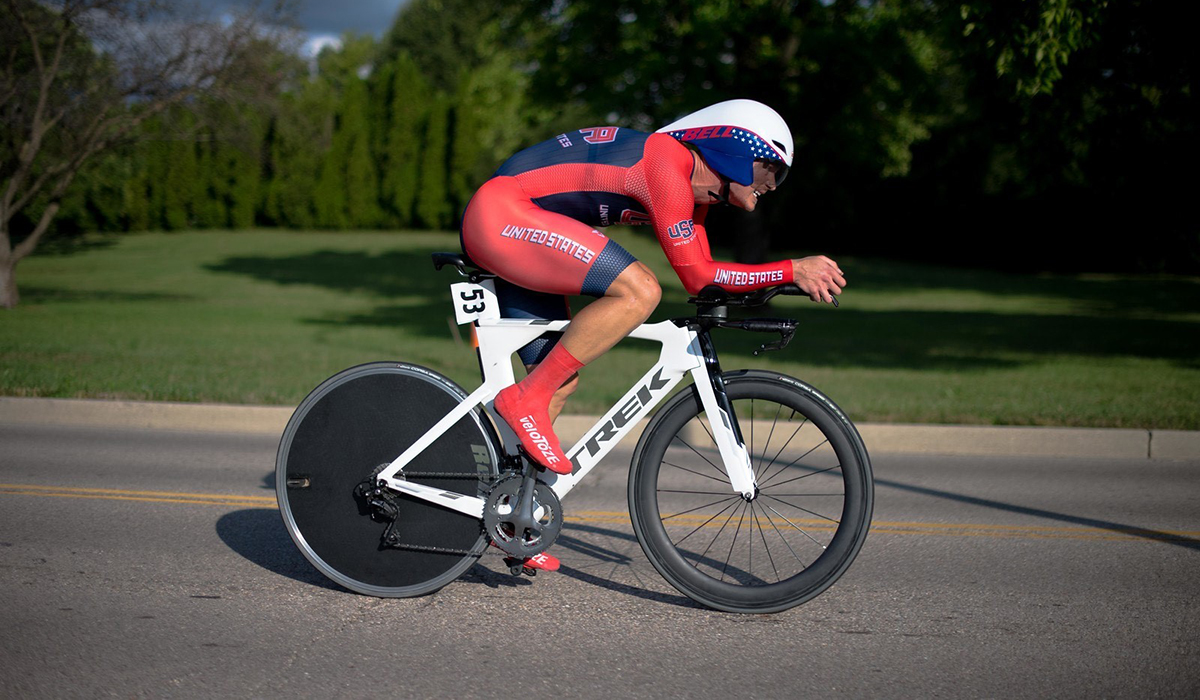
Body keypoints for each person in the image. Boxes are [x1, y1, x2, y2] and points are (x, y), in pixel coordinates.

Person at [460, 99, 845, 570]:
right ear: (730, 147)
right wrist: (791, 268)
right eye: (770, 167)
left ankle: (510, 521)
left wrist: (782, 281)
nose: (772, 183)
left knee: (558, 379)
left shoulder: (695, 195)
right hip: (502, 215)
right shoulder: (666, 163)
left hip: (519, 220)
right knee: (639, 289)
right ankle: (524, 400)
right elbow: (698, 277)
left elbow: (709, 280)